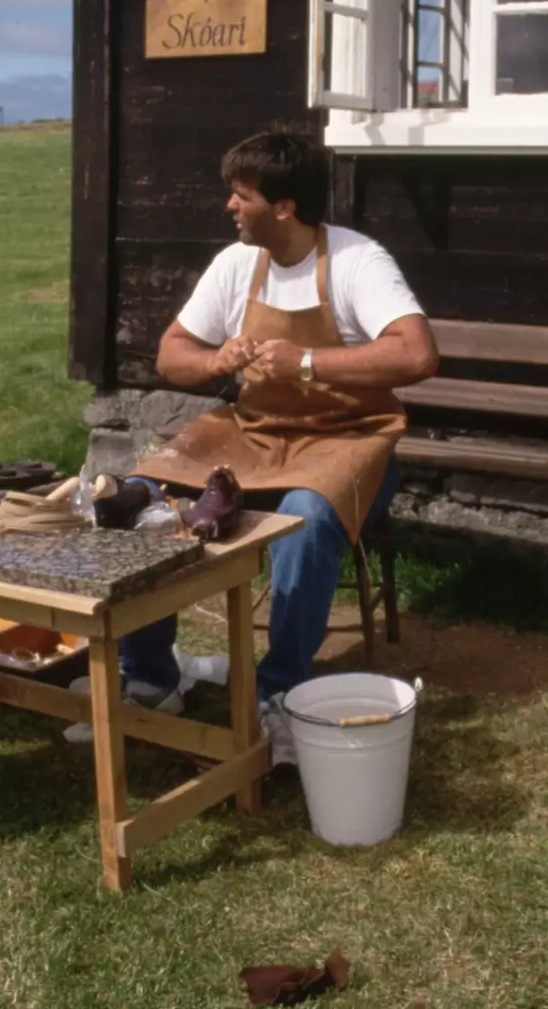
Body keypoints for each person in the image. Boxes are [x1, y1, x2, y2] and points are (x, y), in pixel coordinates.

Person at [122, 128, 437, 764]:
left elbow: (417, 353)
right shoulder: (236, 264)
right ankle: (152, 678)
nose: (229, 207)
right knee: (143, 496)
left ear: (284, 206)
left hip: (348, 441)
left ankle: (279, 691)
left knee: (306, 517)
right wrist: (219, 359)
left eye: (241, 196)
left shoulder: (356, 261)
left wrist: (310, 362)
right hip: (256, 435)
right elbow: (170, 354)